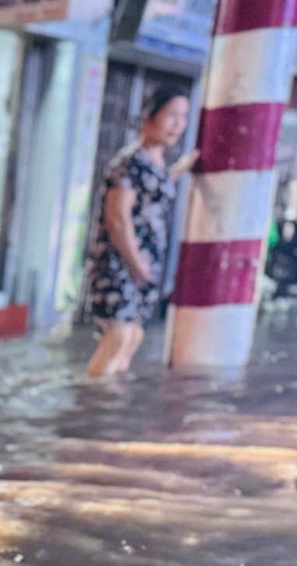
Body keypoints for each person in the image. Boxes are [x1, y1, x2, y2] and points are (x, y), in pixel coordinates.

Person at [86, 85, 196, 378]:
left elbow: (155, 190)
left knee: (133, 336)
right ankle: (93, 404)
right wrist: (137, 264)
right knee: (118, 335)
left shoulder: (155, 166)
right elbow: (117, 219)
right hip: (120, 264)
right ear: (149, 118)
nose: (178, 124)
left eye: (183, 117)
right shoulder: (128, 163)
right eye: (171, 115)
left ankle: (110, 407)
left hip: (144, 265)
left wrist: (180, 169)